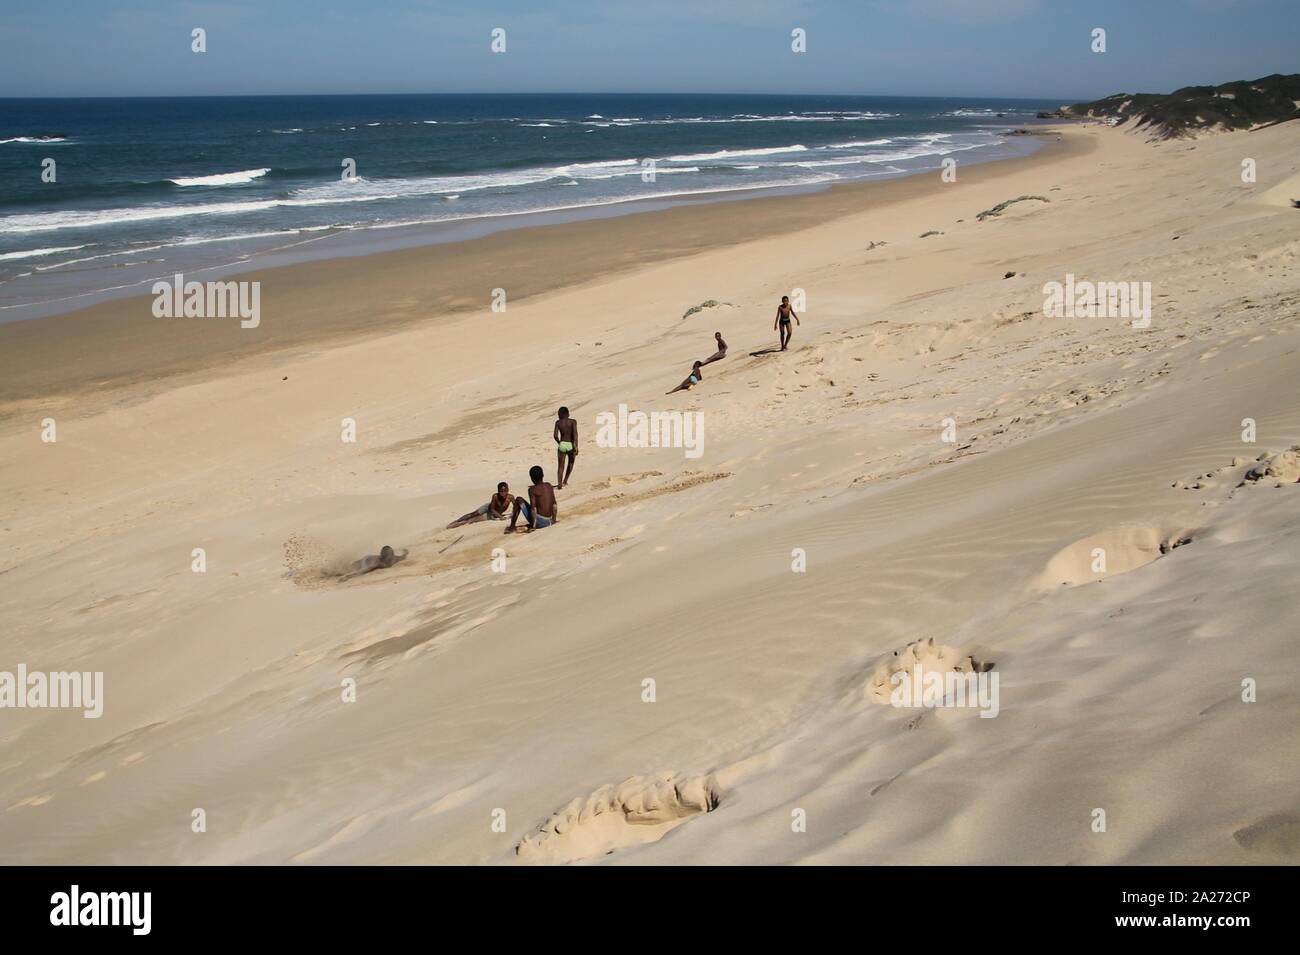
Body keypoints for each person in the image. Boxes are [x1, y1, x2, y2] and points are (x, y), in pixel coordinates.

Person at [506, 465, 558, 533]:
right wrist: (554, 520)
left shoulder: (532, 489)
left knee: (519, 499)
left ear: (532, 478)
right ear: (543, 475)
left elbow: (533, 509)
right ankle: (548, 521)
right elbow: (554, 504)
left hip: (540, 523)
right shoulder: (549, 485)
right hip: (549, 521)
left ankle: (512, 527)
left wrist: (533, 526)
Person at [447, 482, 514, 528]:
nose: (503, 493)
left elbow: (516, 506)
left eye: (505, 491)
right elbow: (492, 509)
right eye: (501, 491)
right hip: (489, 507)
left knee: (472, 520)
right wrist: (500, 517)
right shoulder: (495, 496)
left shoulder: (511, 497)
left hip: (492, 514)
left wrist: (513, 514)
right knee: (473, 514)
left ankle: (456, 525)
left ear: (508, 490)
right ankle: (456, 521)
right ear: (498, 491)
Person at [341, 545, 408, 580]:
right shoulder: (378, 563)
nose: (388, 557)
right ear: (383, 555)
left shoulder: (394, 558)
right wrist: (348, 576)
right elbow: (364, 570)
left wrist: (405, 552)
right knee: (347, 569)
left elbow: (403, 557)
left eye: (390, 554)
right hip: (365, 560)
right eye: (386, 555)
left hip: (369, 559)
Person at [554, 407, 578, 490]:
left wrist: (559, 442)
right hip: (571, 444)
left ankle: (559, 484)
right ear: (568, 414)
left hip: (562, 444)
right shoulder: (573, 422)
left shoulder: (558, 422)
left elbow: (555, 436)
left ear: (560, 415)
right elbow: (575, 435)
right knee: (571, 463)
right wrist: (576, 447)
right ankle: (565, 480)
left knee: (560, 466)